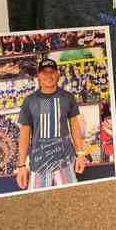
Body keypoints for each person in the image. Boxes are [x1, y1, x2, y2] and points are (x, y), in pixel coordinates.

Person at [15, 57, 87, 189]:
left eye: (52, 72)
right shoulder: (30, 101)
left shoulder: (68, 97)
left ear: (57, 74)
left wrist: (81, 154)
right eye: (44, 72)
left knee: (70, 197)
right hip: (39, 165)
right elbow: (24, 134)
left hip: (65, 162)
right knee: (40, 200)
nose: (48, 75)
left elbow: (74, 126)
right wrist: (21, 166)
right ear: (38, 75)